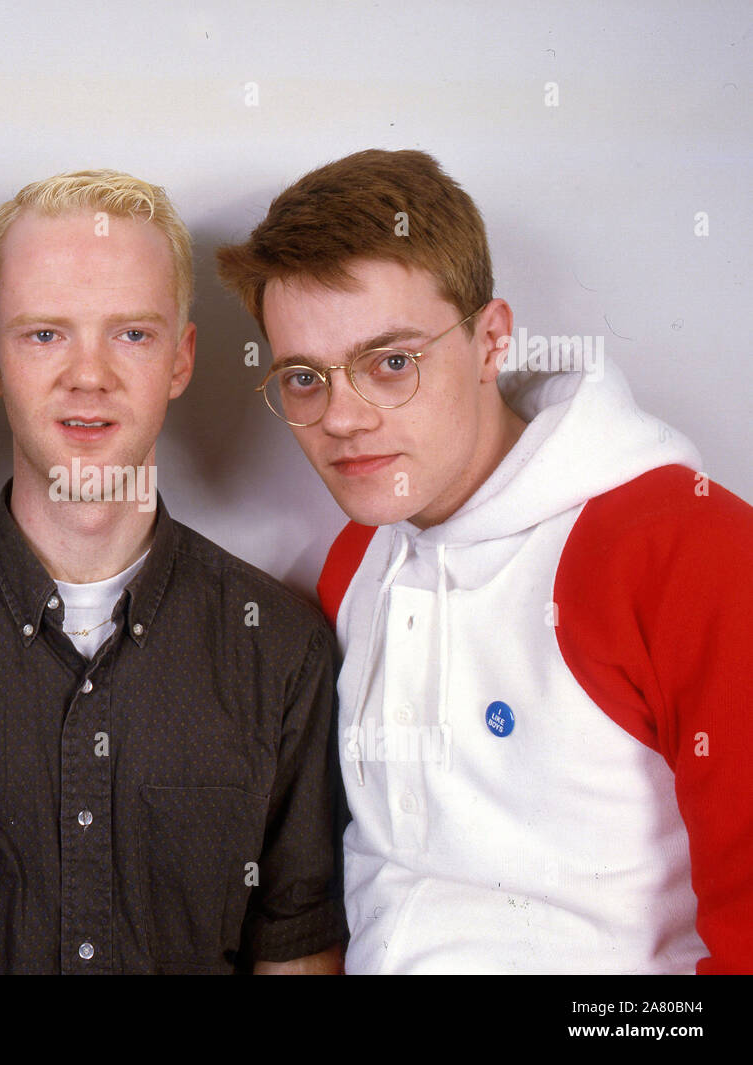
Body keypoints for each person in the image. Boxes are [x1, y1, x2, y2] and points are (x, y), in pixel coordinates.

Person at [216, 148, 753, 974]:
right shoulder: (353, 564)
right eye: (304, 377)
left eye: (392, 362)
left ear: (491, 338)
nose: (343, 419)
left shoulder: (686, 547)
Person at [0, 169, 344, 974]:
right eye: (45, 334)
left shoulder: (282, 651)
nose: (89, 376)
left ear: (182, 359)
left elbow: (296, 948)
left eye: (133, 334)